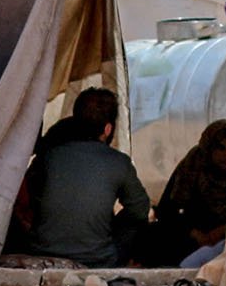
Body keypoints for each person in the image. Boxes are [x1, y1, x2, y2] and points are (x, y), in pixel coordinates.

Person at [22, 88, 151, 268]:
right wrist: (113, 225)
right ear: (107, 129)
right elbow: (140, 209)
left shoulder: (49, 157)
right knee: (138, 226)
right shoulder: (119, 162)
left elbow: (31, 196)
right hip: (99, 259)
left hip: (43, 252)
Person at [133, 119, 226, 268]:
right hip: (193, 233)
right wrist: (196, 234)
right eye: (220, 148)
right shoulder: (194, 163)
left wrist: (223, 230)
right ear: (209, 149)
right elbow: (167, 209)